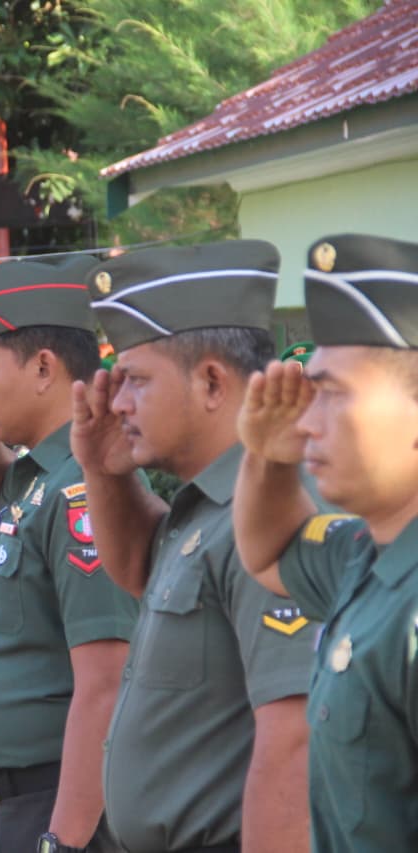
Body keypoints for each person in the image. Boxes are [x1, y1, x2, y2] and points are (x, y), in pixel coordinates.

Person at [72, 240, 314, 853]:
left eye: (136, 380)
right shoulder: (205, 505)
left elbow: (294, 745)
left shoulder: (271, 514)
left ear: (211, 382)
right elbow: (135, 572)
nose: (118, 399)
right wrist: (104, 472)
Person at [230, 234, 418, 852]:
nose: (306, 422)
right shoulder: (367, 552)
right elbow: (268, 553)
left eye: (333, 394)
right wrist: (266, 457)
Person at [0, 258, 138, 853]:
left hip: (63, 801)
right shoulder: (36, 478)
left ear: (44, 368)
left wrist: (67, 840)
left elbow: (105, 681)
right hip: (24, 799)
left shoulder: (83, 487)